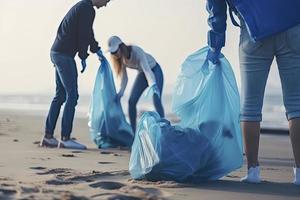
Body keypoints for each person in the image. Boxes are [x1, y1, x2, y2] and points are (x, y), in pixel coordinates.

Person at [206, 0, 300, 185]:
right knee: (296, 105)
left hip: (254, 32)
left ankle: (253, 172)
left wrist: (215, 45)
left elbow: (216, 9)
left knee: (250, 107)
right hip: (293, 25)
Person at [40, 0, 111, 150]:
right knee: (72, 95)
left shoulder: (83, 6)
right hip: (64, 55)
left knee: (60, 96)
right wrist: (83, 56)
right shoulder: (87, 8)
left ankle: (48, 137)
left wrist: (95, 48)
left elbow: (87, 32)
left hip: (57, 52)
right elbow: (83, 34)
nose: (105, 5)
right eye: (106, 1)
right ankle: (65, 138)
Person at [108, 36, 165, 133]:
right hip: (142, 74)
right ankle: (134, 133)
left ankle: (164, 128)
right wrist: (120, 94)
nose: (114, 54)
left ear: (121, 46)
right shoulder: (121, 59)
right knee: (131, 102)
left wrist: (153, 85)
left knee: (156, 99)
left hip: (154, 70)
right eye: (112, 53)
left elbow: (147, 70)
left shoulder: (137, 51)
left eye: (115, 51)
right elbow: (124, 78)